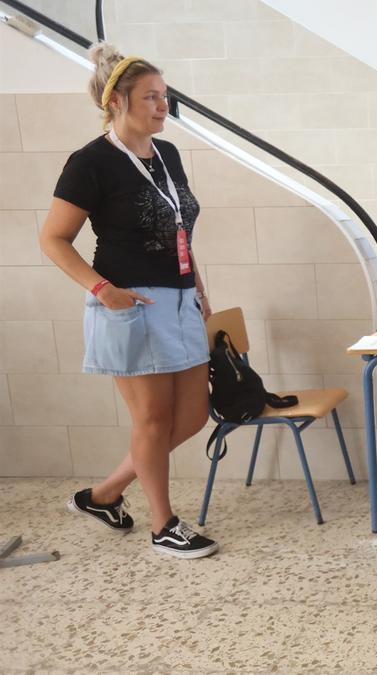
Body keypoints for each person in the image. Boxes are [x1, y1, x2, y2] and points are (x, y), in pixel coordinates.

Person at [39, 44, 217, 559]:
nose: (163, 106)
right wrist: (102, 290)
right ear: (117, 101)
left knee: (193, 416)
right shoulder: (90, 162)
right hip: (130, 304)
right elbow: (53, 239)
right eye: (152, 97)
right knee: (154, 421)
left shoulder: (168, 154)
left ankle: (103, 494)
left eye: (165, 97)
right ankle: (164, 525)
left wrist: (199, 289)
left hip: (181, 299)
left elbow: (180, 227)